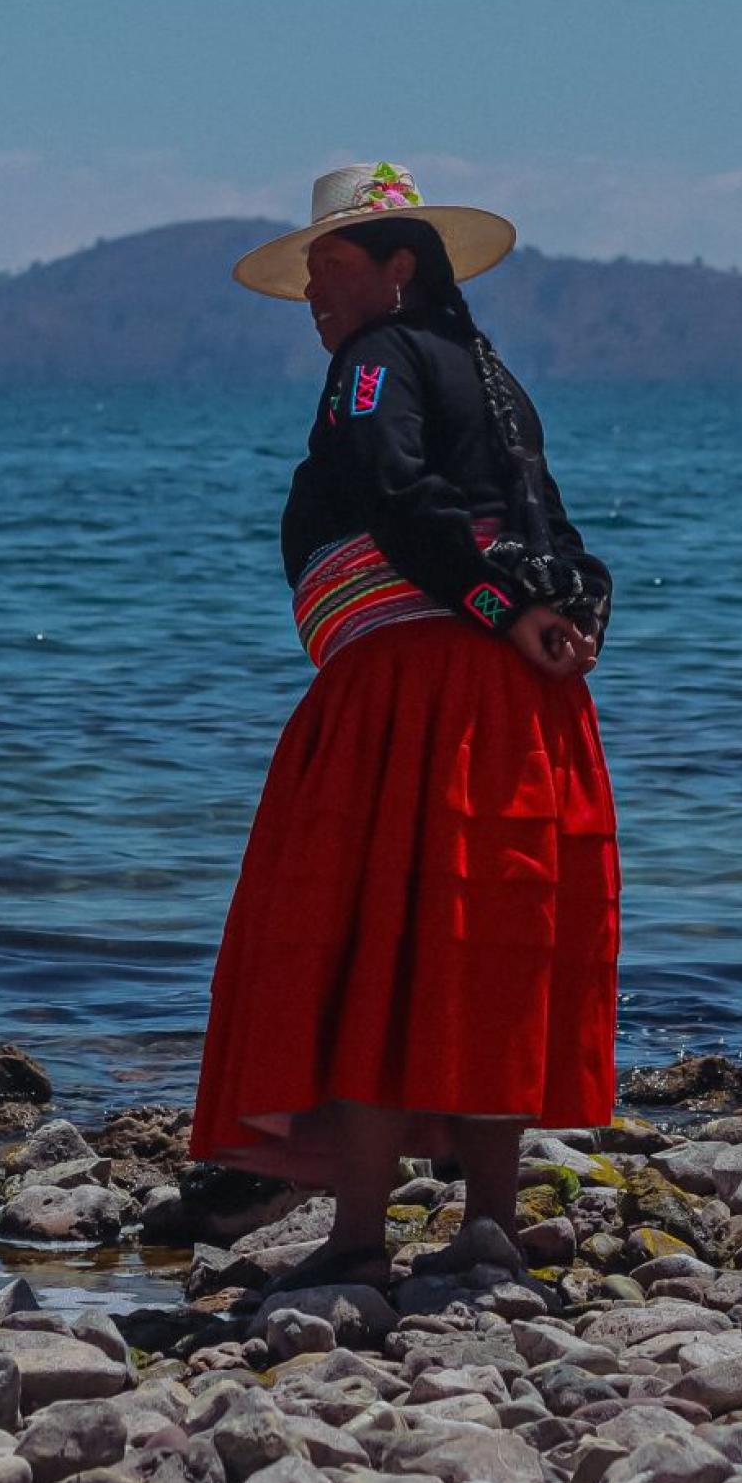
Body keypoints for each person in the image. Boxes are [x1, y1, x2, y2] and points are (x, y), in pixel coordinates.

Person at [192, 161, 620, 1291]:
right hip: (516, 703)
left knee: (376, 937)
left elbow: (389, 493)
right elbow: (551, 527)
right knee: (481, 940)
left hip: (412, 694)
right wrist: (557, 616)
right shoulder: (496, 380)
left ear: (398, 270)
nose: (314, 299)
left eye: (328, 268)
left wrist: (495, 605)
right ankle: (485, 1218)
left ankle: (358, 1233)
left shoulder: (373, 363)